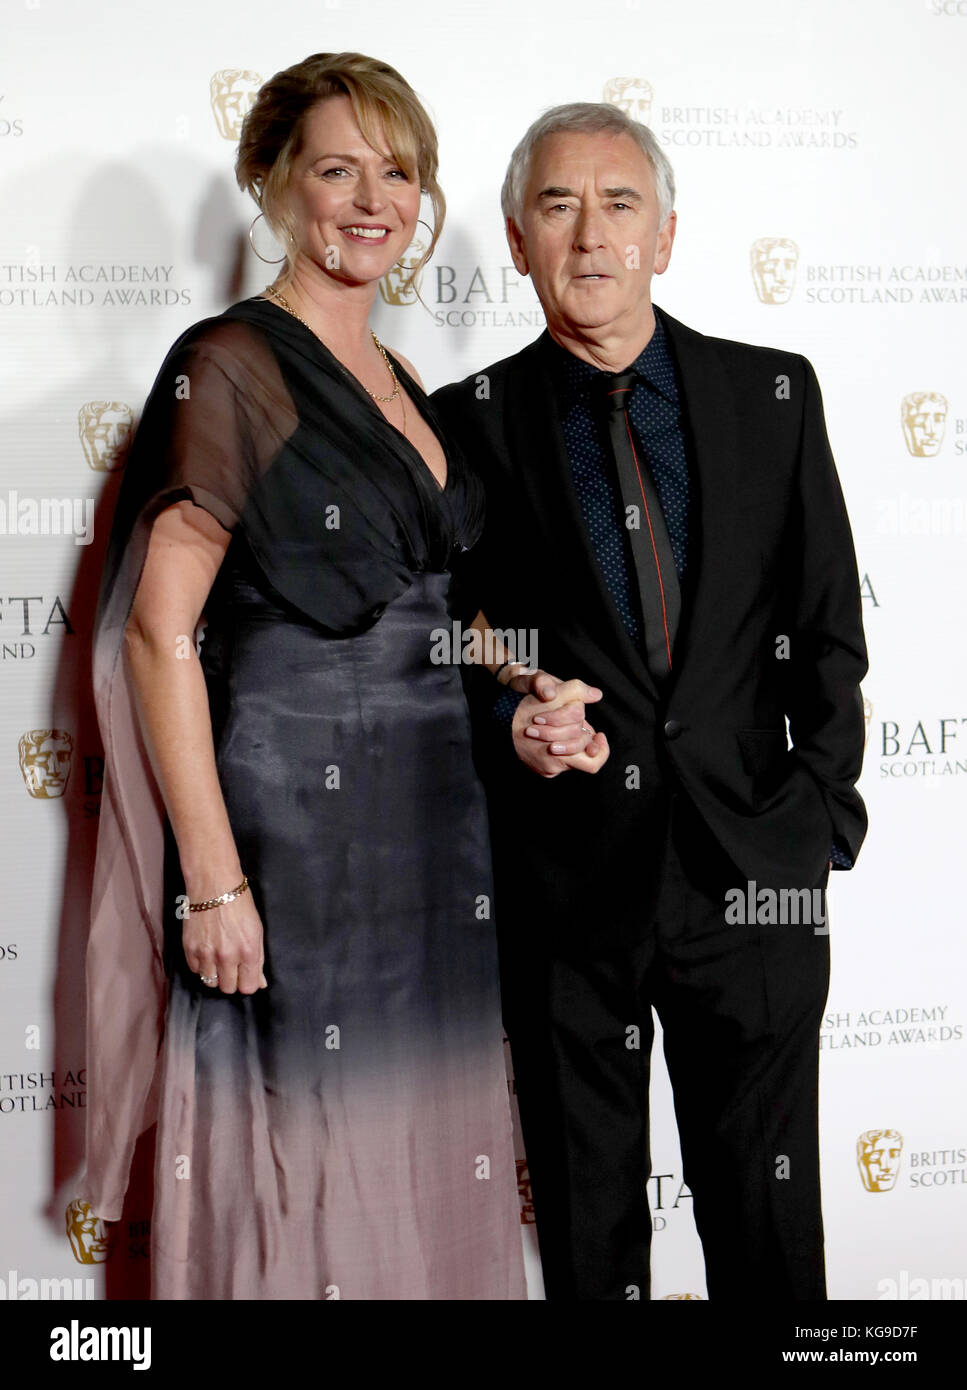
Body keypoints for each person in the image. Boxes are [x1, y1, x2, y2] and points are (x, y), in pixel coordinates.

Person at [78, 51, 550, 1300]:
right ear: (276, 181)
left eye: (396, 172)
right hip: (292, 833)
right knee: (303, 1145)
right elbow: (155, 636)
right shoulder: (231, 361)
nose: (370, 199)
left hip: (439, 836)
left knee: (422, 1138)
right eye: (336, 168)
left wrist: (528, 683)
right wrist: (214, 880)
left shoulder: (408, 388)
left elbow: (434, 602)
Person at [432, 102, 868, 1301]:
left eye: (619, 203)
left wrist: (818, 818)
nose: (590, 234)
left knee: (771, 1232)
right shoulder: (462, 424)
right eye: (557, 205)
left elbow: (827, 627)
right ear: (516, 241)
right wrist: (511, 715)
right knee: (588, 1230)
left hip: (753, 871)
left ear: (665, 235)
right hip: (570, 884)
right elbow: (448, 637)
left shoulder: (769, 394)